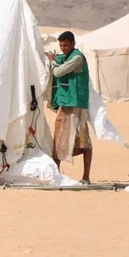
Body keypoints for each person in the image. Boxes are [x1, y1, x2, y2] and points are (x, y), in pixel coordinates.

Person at [46, 31, 93, 184]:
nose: (63, 48)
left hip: (75, 105)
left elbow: (58, 72)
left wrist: (52, 61)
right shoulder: (66, 57)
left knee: (83, 141)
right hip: (67, 102)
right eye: (61, 45)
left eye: (65, 45)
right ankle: (56, 175)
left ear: (73, 43)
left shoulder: (77, 58)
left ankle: (86, 177)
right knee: (60, 137)